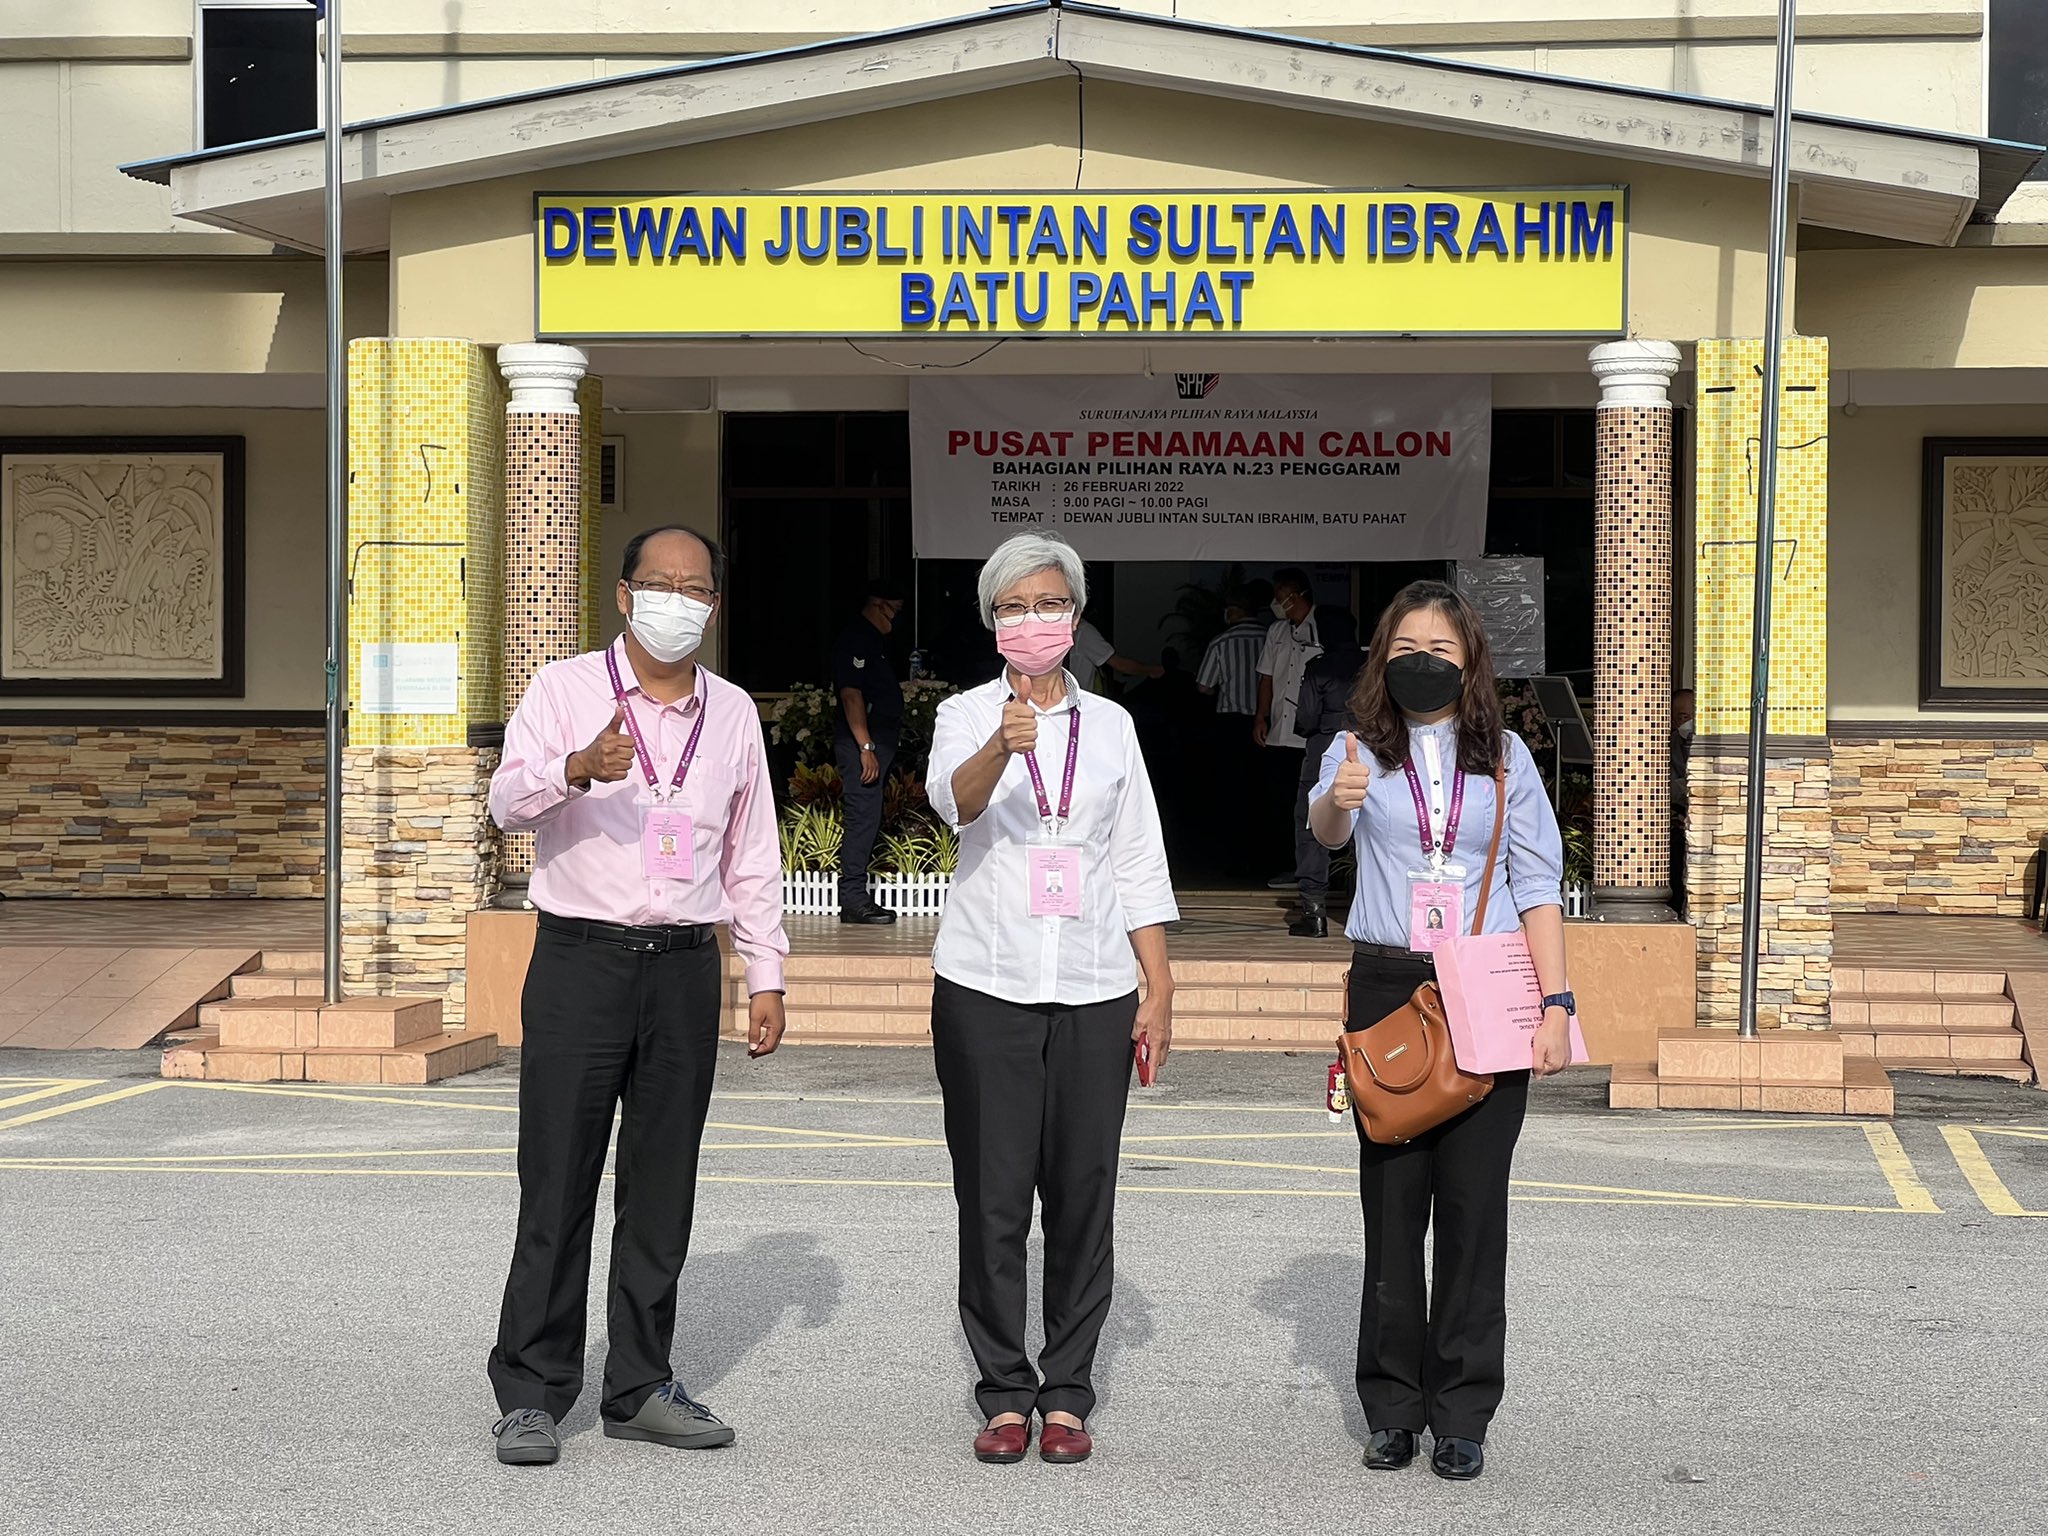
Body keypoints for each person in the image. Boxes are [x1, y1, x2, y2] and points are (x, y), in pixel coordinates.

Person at [484, 525, 789, 1468]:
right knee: (558, 1179)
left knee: (662, 1187)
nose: (676, 601)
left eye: (694, 588)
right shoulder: (563, 689)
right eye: (659, 584)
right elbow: (503, 802)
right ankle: (532, 1394)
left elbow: (752, 850)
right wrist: (573, 769)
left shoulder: (731, 712)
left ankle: (640, 1386)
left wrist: (765, 971)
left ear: (714, 605)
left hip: (685, 968)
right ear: (624, 596)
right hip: (581, 961)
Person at [1307, 578, 1574, 1485]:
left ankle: (1462, 1412)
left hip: (1486, 982)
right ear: (1383, 658)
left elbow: (1536, 884)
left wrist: (1557, 1004)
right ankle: (1391, 1409)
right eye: (1407, 649)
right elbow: (1326, 834)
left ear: (1470, 664)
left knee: (1473, 1210)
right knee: (1392, 1209)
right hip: (1389, 984)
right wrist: (1339, 799)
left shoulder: (1504, 757)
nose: (1423, 662)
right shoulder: (1354, 748)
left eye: (1442, 651)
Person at [924, 531, 1179, 1468]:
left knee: (1082, 1194)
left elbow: (1135, 856)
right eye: (1015, 606)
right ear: (992, 621)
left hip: (1094, 985)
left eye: (1050, 604)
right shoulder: (963, 713)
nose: (1034, 620)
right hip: (984, 984)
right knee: (992, 1198)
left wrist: (1158, 984)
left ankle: (1067, 1391)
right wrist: (1002, 742)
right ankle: (1003, 1390)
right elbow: (953, 805)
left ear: (1075, 614)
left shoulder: (1111, 726)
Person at [833, 577, 909, 925]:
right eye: (895, 610)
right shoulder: (857, 637)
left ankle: (856, 896)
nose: (896, 619)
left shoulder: (873, 640)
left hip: (877, 743)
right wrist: (865, 746)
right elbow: (851, 694)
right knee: (862, 817)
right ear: (879, 605)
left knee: (870, 815)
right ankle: (852, 898)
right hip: (863, 745)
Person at [1288, 605, 1364, 937]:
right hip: (1370, 748)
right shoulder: (1373, 666)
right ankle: (1363, 905)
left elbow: (1305, 719)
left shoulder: (1319, 668)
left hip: (1323, 749)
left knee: (1311, 825)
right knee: (1370, 828)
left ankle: (1314, 911)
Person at [1196, 581, 1273, 876]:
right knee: (1263, 789)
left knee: (1231, 789)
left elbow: (1204, 686)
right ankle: (1263, 853)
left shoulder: (1221, 642)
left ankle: (1233, 856)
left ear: (1235, 611)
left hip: (1231, 724)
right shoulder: (1271, 638)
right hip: (1267, 723)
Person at [1256, 568, 1323, 888]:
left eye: (1280, 597)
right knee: (1280, 802)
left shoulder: (1323, 627)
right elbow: (1266, 677)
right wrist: (1260, 716)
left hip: (1309, 734)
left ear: (1294, 596)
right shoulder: (1277, 631)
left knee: (1310, 804)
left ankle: (1311, 870)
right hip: (1278, 731)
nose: (1276, 603)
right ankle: (1286, 866)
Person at [1071, 616, 1164, 692]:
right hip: (1083, 701)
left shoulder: (1072, 630)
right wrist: (1153, 670)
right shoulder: (1083, 632)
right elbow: (1120, 664)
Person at [1671, 687, 1695, 916]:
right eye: (1683, 717)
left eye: (1692, 716)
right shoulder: (1668, 747)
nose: (1688, 722)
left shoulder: (1709, 744)